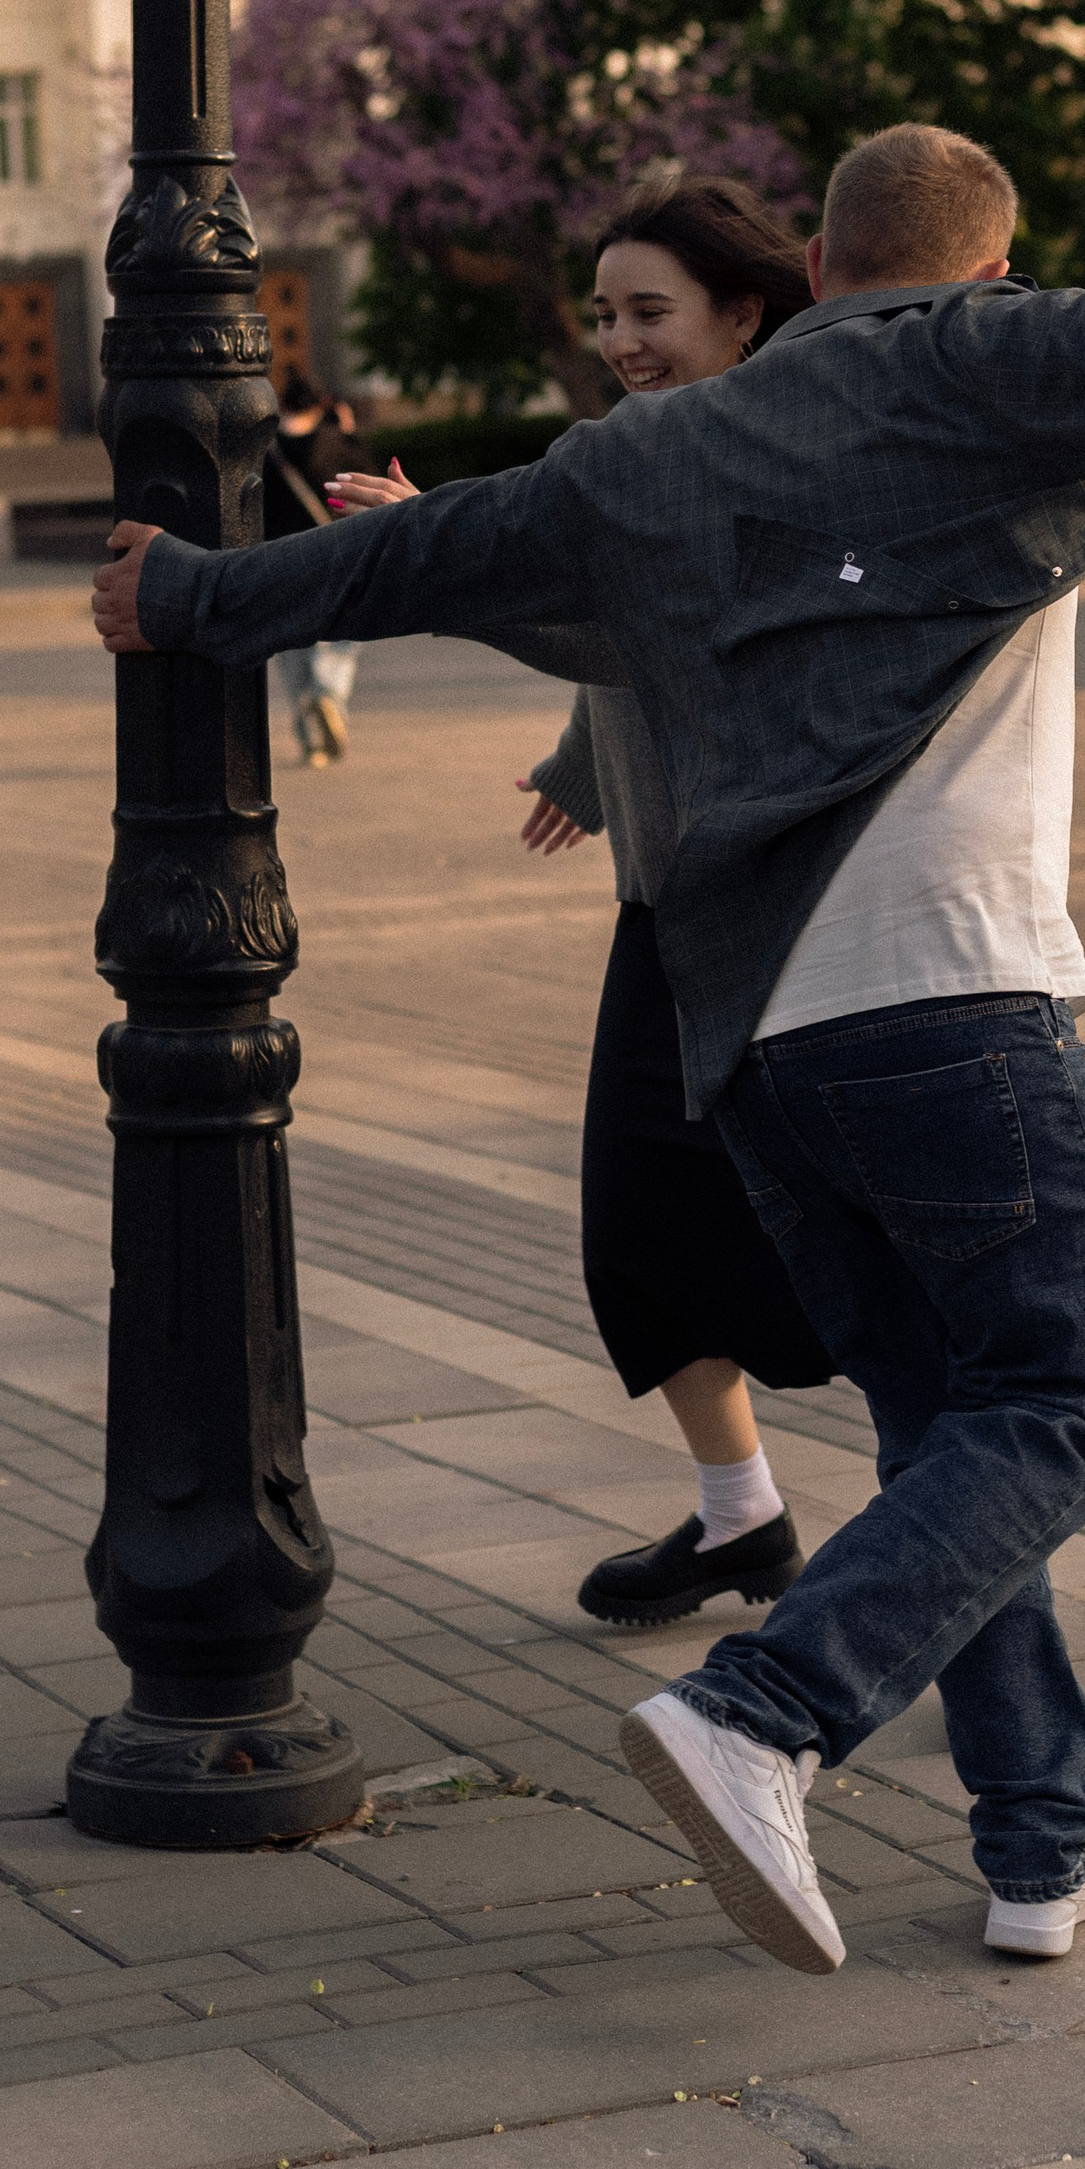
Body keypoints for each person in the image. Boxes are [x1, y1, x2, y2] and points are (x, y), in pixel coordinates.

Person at [95, 68, 1085, 1977]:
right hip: (947, 992)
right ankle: (762, 1711)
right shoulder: (985, 366)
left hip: (754, 1052)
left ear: (808, 262)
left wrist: (193, 590)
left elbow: (418, 559)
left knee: (955, 1422)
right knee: (1069, 1396)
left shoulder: (663, 452)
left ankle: (1044, 1840)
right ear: (990, 268)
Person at [341, 169, 833, 1632]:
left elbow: (652, 626)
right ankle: (743, 1513)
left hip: (785, 918)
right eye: (608, 310)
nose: (622, 336)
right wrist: (585, 759)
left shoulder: (761, 448)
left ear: (744, 313)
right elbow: (621, 636)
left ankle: (978, 1546)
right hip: (667, 909)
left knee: (846, 1256)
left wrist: (425, 560)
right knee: (636, 1231)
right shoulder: (637, 444)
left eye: (652, 310)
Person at [266, 369, 363, 766]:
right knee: (342, 636)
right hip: (333, 555)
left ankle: (311, 743)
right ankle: (328, 694)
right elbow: (366, 481)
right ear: (322, 404)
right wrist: (349, 432)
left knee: (292, 650)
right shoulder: (332, 442)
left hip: (278, 560)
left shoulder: (266, 449)